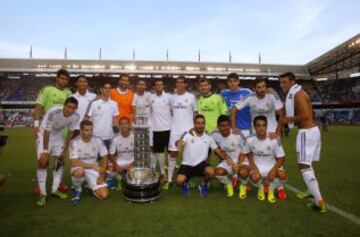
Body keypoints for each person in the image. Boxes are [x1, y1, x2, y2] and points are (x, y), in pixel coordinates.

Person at [231, 78, 287, 199]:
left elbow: (281, 113)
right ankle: (254, 179)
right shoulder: (250, 98)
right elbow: (234, 109)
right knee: (255, 156)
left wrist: (277, 131)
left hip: (271, 133)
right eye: (259, 87)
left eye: (264, 86)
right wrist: (234, 127)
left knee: (278, 158)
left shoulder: (271, 97)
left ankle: (280, 187)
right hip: (256, 132)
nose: (262, 89)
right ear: (254, 88)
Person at [279, 72, 327, 213]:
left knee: (304, 166)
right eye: (281, 82)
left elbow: (305, 115)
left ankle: (319, 202)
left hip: (306, 133)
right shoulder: (299, 93)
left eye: (285, 82)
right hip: (311, 131)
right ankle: (311, 190)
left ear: (293, 81)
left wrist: (286, 120)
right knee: (306, 164)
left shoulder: (298, 94)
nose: (282, 85)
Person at [35, 97, 80, 207]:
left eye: (73, 108)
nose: (70, 110)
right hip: (44, 135)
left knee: (60, 162)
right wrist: (45, 151)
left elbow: (70, 132)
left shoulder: (76, 116)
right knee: (43, 162)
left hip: (58, 136)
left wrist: (65, 147)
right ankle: (42, 193)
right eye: (68, 107)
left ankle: (55, 189)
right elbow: (46, 132)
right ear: (64, 105)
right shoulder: (54, 112)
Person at [175, 115, 231, 197]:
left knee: (211, 172)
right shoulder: (187, 134)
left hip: (201, 165)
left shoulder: (208, 137)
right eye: (198, 123)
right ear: (194, 124)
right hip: (187, 164)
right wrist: (179, 143)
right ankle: (185, 185)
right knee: (179, 181)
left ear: (205, 124)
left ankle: (203, 185)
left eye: (202, 123)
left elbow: (218, 152)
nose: (200, 125)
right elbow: (179, 142)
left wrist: (230, 159)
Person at [243, 115, 288, 203]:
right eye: (259, 125)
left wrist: (273, 170)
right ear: (254, 127)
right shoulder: (249, 140)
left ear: (267, 126)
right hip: (257, 165)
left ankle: (271, 189)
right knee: (255, 178)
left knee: (283, 175)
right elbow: (247, 152)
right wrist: (252, 164)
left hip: (271, 165)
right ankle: (261, 188)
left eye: (264, 125)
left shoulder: (275, 139)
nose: (261, 128)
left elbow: (281, 158)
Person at [163, 76, 197, 190]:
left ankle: (189, 179)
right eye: (177, 82)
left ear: (185, 84)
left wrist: (194, 128)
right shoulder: (172, 98)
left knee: (190, 155)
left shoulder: (191, 97)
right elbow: (169, 113)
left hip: (189, 130)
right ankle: (169, 180)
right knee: (173, 154)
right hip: (175, 130)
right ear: (175, 85)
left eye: (181, 82)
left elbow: (196, 113)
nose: (179, 84)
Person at [69, 120, 109, 204]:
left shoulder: (98, 140)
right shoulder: (74, 142)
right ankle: (77, 189)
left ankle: (88, 185)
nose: (90, 132)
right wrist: (93, 166)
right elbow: (74, 162)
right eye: (87, 130)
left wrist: (102, 174)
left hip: (93, 170)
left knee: (104, 195)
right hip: (79, 168)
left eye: (91, 130)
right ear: (81, 130)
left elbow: (104, 156)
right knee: (79, 172)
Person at [212, 115, 245, 197]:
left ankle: (242, 185)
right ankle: (229, 184)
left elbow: (244, 153)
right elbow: (203, 135)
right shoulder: (214, 134)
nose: (225, 128)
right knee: (217, 172)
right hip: (227, 161)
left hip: (240, 160)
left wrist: (238, 165)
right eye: (222, 126)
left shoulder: (237, 134)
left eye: (227, 125)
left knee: (243, 172)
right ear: (218, 127)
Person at [33, 69, 72, 138]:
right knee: (45, 149)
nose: (64, 81)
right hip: (48, 129)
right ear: (57, 79)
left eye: (66, 79)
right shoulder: (47, 90)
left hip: (63, 132)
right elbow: (38, 108)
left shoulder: (69, 93)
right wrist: (36, 125)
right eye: (62, 78)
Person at [84, 81, 119, 149]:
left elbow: (115, 120)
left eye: (109, 88)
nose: (107, 90)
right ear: (101, 89)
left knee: (110, 158)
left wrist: (122, 131)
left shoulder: (114, 103)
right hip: (96, 137)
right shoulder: (94, 103)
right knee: (97, 159)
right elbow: (86, 119)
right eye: (105, 88)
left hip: (110, 137)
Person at [149, 79, 172, 180]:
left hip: (168, 128)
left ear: (163, 86)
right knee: (160, 152)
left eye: (161, 84)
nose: (159, 86)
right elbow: (150, 113)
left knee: (171, 152)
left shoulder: (168, 97)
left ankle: (170, 173)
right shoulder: (150, 98)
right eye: (157, 85)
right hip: (156, 129)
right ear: (154, 87)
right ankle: (163, 172)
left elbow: (173, 111)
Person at [221, 73, 252, 138]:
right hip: (230, 128)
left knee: (245, 148)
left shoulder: (247, 92)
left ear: (238, 81)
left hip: (244, 127)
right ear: (227, 83)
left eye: (235, 81)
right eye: (230, 81)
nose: (233, 83)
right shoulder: (223, 93)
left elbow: (259, 96)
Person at [108, 117, 134, 191]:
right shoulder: (115, 138)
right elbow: (111, 154)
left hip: (132, 161)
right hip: (120, 161)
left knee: (133, 178)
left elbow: (139, 152)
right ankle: (118, 180)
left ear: (129, 125)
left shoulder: (135, 136)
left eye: (126, 123)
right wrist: (116, 165)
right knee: (110, 169)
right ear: (119, 126)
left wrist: (133, 164)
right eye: (121, 124)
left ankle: (127, 175)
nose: (124, 126)